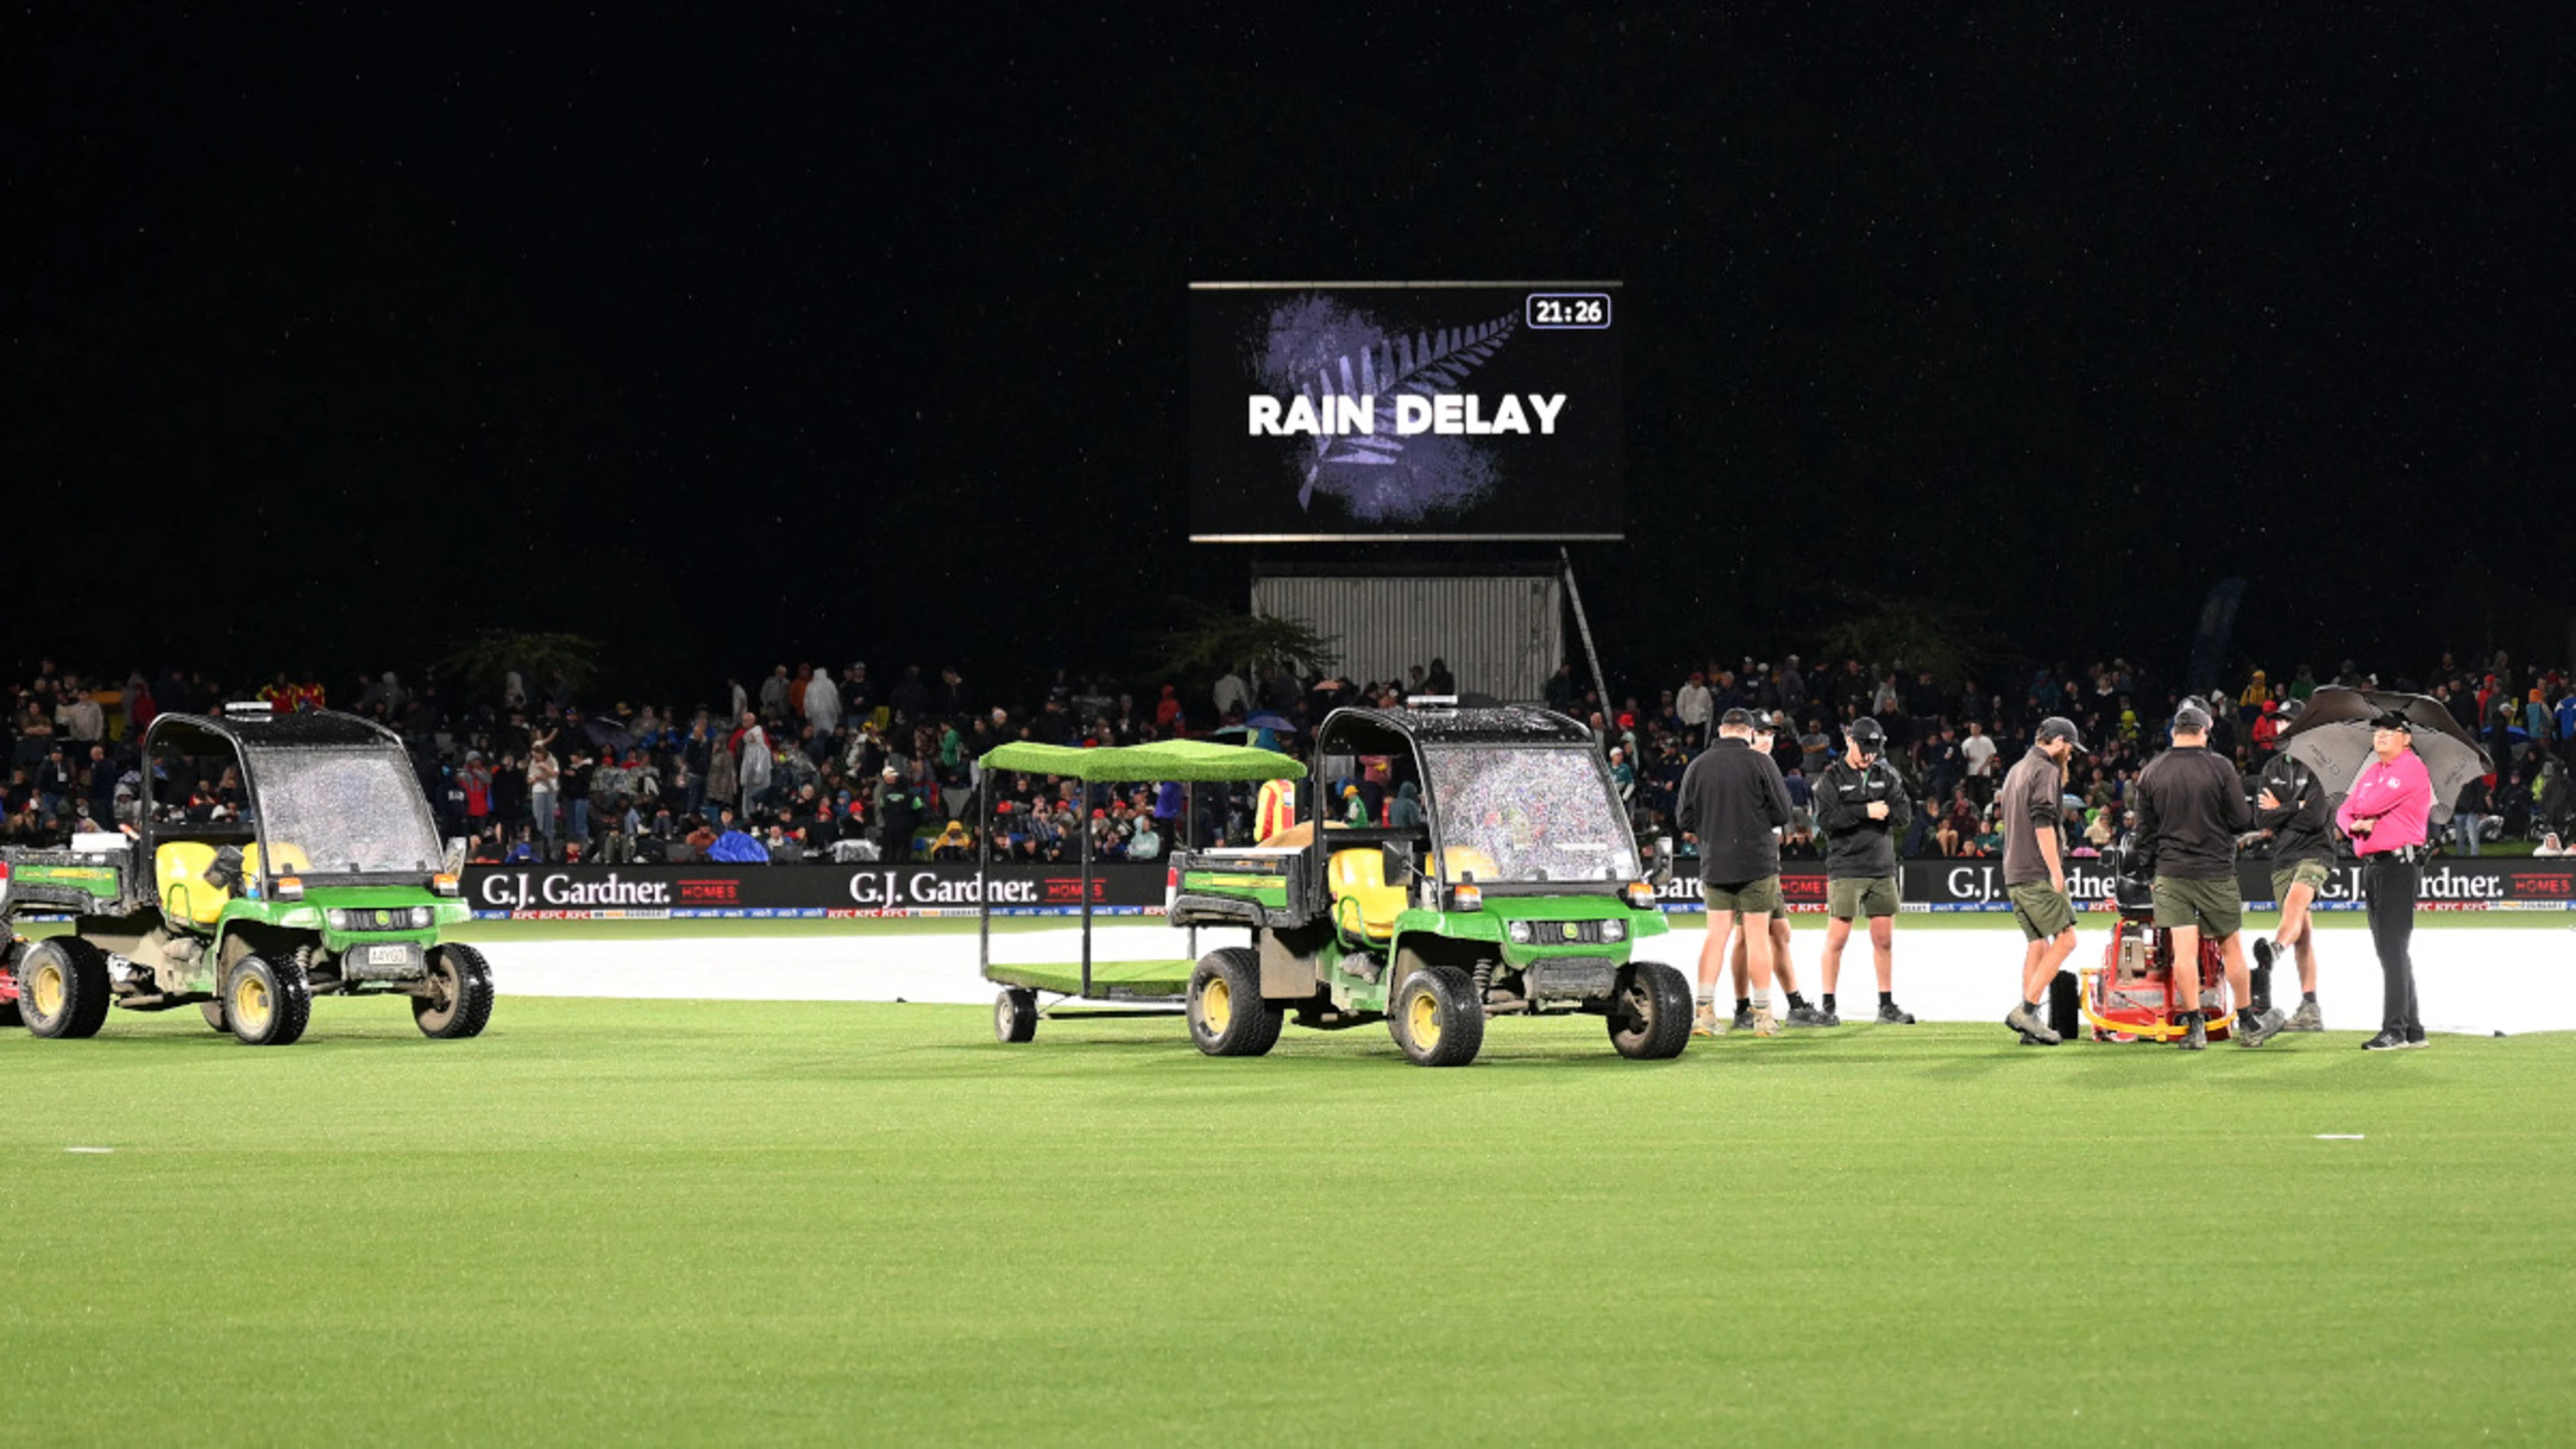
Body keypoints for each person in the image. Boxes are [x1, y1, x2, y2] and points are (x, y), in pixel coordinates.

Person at [2132, 703, 2275, 1050]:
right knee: (2231, 947)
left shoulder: (2152, 772)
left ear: (2173, 732)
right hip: (2215, 870)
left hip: (2171, 871)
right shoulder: (2220, 767)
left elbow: (2143, 833)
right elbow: (2242, 819)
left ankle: (2195, 1026)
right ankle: (2248, 1022)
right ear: (2204, 731)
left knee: (2184, 952)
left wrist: (2150, 872)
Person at [1676, 707, 1792, 1037]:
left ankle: (1704, 1013)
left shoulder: (1698, 765)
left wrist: (1715, 824)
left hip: (1716, 861)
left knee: (1716, 936)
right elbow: (1782, 812)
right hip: (1757, 862)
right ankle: (1764, 1017)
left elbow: (1684, 819)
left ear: (1722, 730)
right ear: (1749, 732)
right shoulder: (1761, 762)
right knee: (1757, 937)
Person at [2337, 710, 2436, 1050]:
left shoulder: (2411, 768)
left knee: (2392, 949)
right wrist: (2357, 823)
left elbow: (2369, 802)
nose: (2380, 735)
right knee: (2391, 949)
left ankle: (2394, 1028)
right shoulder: (2373, 771)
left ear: (2406, 738)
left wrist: (2361, 815)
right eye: (2378, 730)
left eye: (2390, 730)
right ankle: (2412, 1028)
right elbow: (2345, 810)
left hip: (2398, 865)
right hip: (2377, 864)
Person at [1720, 712, 1823, 1026]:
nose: (1768, 738)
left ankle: (1794, 1006)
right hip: (1744, 863)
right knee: (1744, 938)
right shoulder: (1742, 767)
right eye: (1762, 732)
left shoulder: (1768, 766)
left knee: (1779, 932)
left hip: (1766, 862)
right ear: (1748, 734)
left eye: (1772, 733)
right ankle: (1743, 1009)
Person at [1813, 716, 1915, 1026]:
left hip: (1882, 867)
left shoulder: (1888, 774)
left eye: (1875, 749)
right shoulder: (1830, 778)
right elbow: (1828, 822)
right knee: (1838, 939)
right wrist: (1866, 811)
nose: (1869, 755)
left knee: (1884, 940)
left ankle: (1886, 1006)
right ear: (1849, 741)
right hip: (1846, 867)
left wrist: (1873, 809)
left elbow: (1904, 815)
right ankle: (1828, 1005)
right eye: (1865, 748)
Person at [1997, 717, 2086, 1045]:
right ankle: (2028, 1010)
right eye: (2071, 749)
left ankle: (2028, 1028)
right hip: (2037, 871)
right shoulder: (2046, 770)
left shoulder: (2017, 769)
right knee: (2067, 939)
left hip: (2014, 871)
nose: (2072, 755)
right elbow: (2043, 823)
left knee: (2038, 944)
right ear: (2060, 741)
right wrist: (2056, 871)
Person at [2249, 702, 2330, 1031]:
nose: (2280, 726)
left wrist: (2280, 810)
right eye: (2278, 721)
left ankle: (2273, 950)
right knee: (2303, 931)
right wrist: (2294, 805)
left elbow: (2315, 817)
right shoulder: (2270, 768)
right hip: (2283, 855)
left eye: (2287, 721)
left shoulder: (2320, 765)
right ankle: (2311, 1008)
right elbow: (2261, 819)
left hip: (2316, 852)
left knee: (2296, 905)